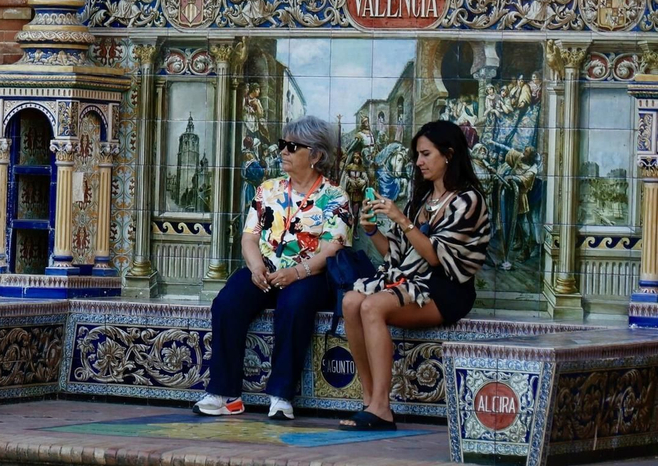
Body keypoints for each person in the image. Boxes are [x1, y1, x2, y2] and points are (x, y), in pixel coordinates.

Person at [194, 115, 352, 420]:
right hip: (264, 271)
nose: (283, 152)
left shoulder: (334, 196)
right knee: (227, 303)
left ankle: (281, 395)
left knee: (294, 305)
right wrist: (255, 268)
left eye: (292, 146)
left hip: (309, 275)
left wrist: (296, 272)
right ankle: (224, 394)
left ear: (316, 155)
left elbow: (334, 247)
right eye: (283, 145)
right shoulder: (268, 189)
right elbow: (249, 237)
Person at [341, 120, 491, 431]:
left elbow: (437, 257)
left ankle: (382, 408)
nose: (419, 162)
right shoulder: (421, 200)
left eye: (425, 154)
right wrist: (370, 230)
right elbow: (394, 256)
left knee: (371, 306)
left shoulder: (468, 200)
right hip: (410, 283)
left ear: (448, 155)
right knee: (351, 301)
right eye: (417, 156)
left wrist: (401, 219)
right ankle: (370, 401)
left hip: (446, 289)